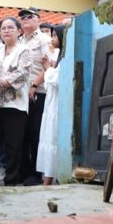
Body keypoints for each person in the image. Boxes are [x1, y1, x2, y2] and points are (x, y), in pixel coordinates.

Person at [0, 17, 32, 186]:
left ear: (19, 31)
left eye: (10, 28)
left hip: (15, 106)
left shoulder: (24, 51)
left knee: (13, 145)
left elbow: (22, 73)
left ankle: (11, 181)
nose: (6, 31)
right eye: (3, 28)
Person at [17, 7, 52, 186]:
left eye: (29, 16)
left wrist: (34, 84)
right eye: (22, 17)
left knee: (35, 133)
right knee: (21, 134)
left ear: (38, 20)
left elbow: (50, 66)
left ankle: (35, 172)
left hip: (38, 92)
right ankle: (22, 171)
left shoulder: (44, 39)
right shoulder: (19, 40)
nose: (25, 19)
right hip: (20, 94)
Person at [36, 25, 65, 186]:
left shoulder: (65, 57)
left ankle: (49, 178)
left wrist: (47, 68)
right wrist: (48, 68)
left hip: (57, 104)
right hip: (51, 102)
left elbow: (57, 79)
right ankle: (47, 177)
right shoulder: (60, 56)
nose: (52, 39)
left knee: (53, 138)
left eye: (55, 36)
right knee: (48, 138)